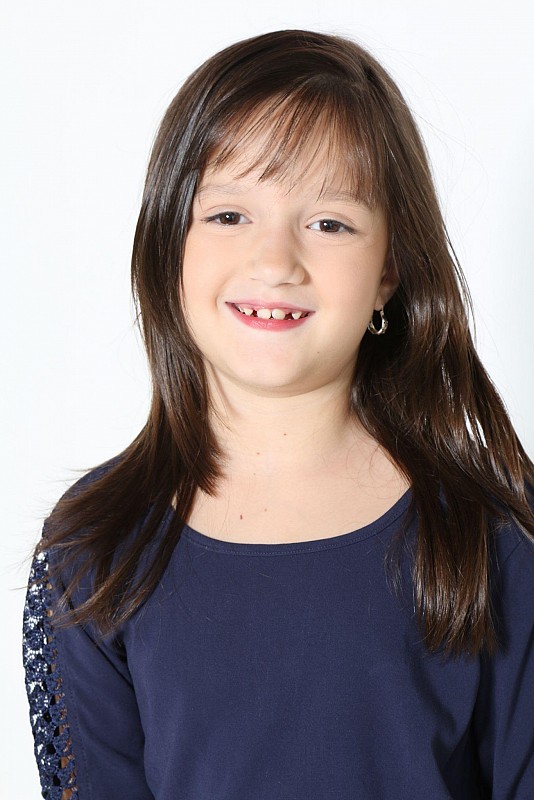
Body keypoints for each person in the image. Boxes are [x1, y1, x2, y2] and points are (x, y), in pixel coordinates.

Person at [23, 29, 534, 800]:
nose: (274, 261)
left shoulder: (491, 534)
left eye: (329, 223)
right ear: (169, 242)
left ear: (389, 271)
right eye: (229, 215)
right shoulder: (94, 551)